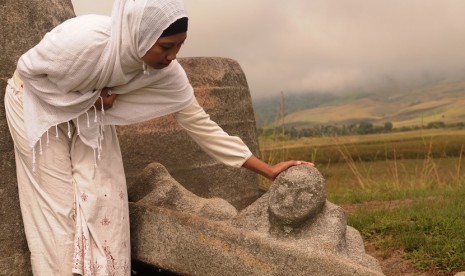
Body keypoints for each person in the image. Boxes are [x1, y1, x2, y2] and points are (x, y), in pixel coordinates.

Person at [4, 0, 313, 275]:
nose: (173, 56)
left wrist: (267, 170)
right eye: (166, 47)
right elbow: (29, 73)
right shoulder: (84, 41)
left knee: (103, 197)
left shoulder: (166, 74)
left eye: (179, 45)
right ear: (141, 35)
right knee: (57, 210)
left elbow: (203, 126)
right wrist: (90, 101)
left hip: (89, 109)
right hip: (36, 105)